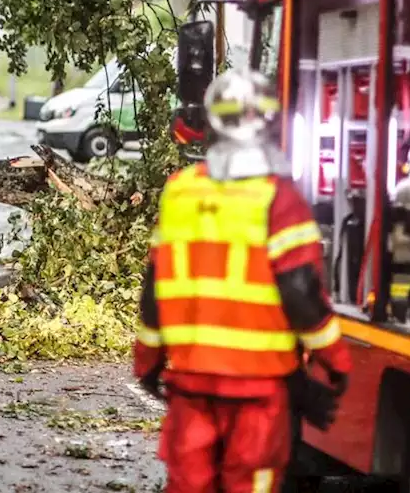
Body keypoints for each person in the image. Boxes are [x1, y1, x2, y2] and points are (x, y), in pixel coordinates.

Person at [134, 69, 351, 493]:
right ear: (269, 123)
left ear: (211, 122)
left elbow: (154, 290)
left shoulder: (179, 192)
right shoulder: (281, 200)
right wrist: (336, 362)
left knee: (189, 485)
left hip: (192, 387)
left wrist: (147, 363)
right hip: (259, 394)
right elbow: (301, 293)